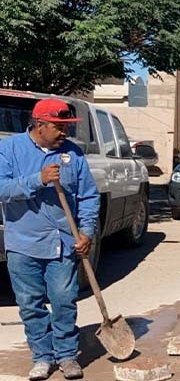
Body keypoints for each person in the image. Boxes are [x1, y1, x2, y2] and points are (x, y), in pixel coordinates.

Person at [0, 99, 99, 380]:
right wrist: (37, 179)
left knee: (64, 299)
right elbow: (1, 188)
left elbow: (89, 196)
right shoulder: (9, 150)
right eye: (59, 127)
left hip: (63, 242)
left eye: (67, 127)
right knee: (31, 304)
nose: (65, 133)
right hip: (24, 243)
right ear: (40, 125)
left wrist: (87, 231)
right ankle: (42, 357)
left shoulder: (73, 155)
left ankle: (67, 355)